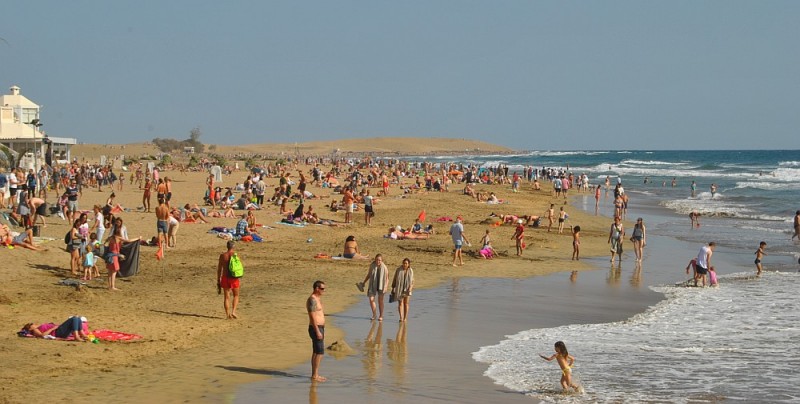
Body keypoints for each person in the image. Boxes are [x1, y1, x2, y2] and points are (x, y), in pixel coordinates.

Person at [358, 254, 389, 321]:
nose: (378, 261)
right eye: (377, 260)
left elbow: (387, 278)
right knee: (371, 299)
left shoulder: (385, 267)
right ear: (375, 259)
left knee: (380, 301)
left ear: (382, 260)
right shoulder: (372, 265)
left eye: (379, 260)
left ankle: (381, 315)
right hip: (372, 284)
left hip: (382, 285)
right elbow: (369, 274)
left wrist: (386, 287)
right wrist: (364, 282)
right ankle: (374, 314)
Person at [307, 280, 327, 382]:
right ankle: (315, 375)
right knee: (319, 352)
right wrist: (317, 331)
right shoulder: (312, 300)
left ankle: (314, 374)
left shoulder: (318, 299)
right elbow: (312, 316)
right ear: (317, 289)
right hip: (316, 328)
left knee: (316, 352)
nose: (324, 291)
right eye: (322, 289)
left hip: (320, 328)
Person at [217, 240, 241, 319]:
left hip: (225, 278)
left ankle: (228, 315)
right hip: (234, 278)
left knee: (226, 297)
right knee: (236, 295)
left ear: (227, 247)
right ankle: (233, 311)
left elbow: (219, 269)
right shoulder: (235, 255)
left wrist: (218, 280)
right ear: (233, 247)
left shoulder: (222, 256)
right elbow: (238, 267)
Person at [20, 316, 89, 341]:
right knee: (74, 319)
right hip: (57, 332)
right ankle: (77, 336)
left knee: (77, 318)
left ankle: (82, 334)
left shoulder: (38, 327)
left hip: (59, 330)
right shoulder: (35, 330)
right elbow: (42, 335)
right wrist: (52, 329)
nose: (33, 324)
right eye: (31, 325)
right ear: (30, 329)